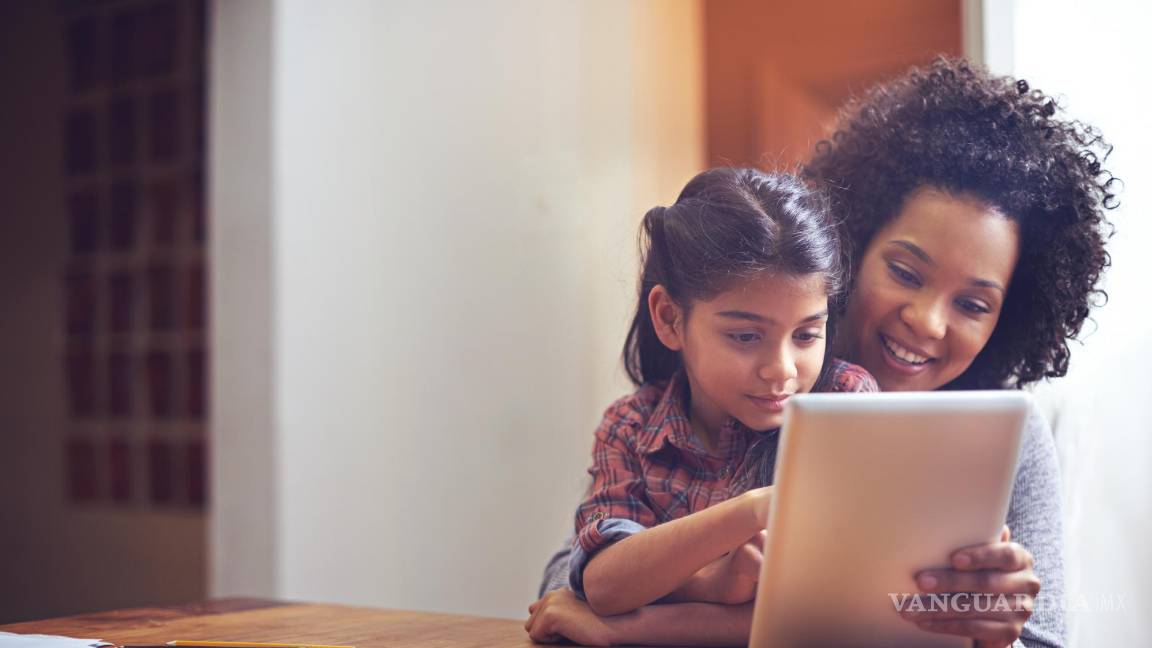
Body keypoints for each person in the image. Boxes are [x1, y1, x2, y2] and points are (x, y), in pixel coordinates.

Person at [525, 57, 1117, 648]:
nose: (927, 321)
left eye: (973, 304)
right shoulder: (730, 399)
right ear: (850, 253)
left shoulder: (1010, 435)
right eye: (905, 272)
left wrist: (997, 635)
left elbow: (1031, 639)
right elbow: (570, 582)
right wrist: (698, 581)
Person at [561, 167, 877, 620]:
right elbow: (604, 584)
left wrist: (639, 623)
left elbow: (847, 612)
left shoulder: (846, 405)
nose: (782, 369)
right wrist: (747, 518)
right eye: (745, 336)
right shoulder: (630, 427)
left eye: (807, 335)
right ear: (669, 318)